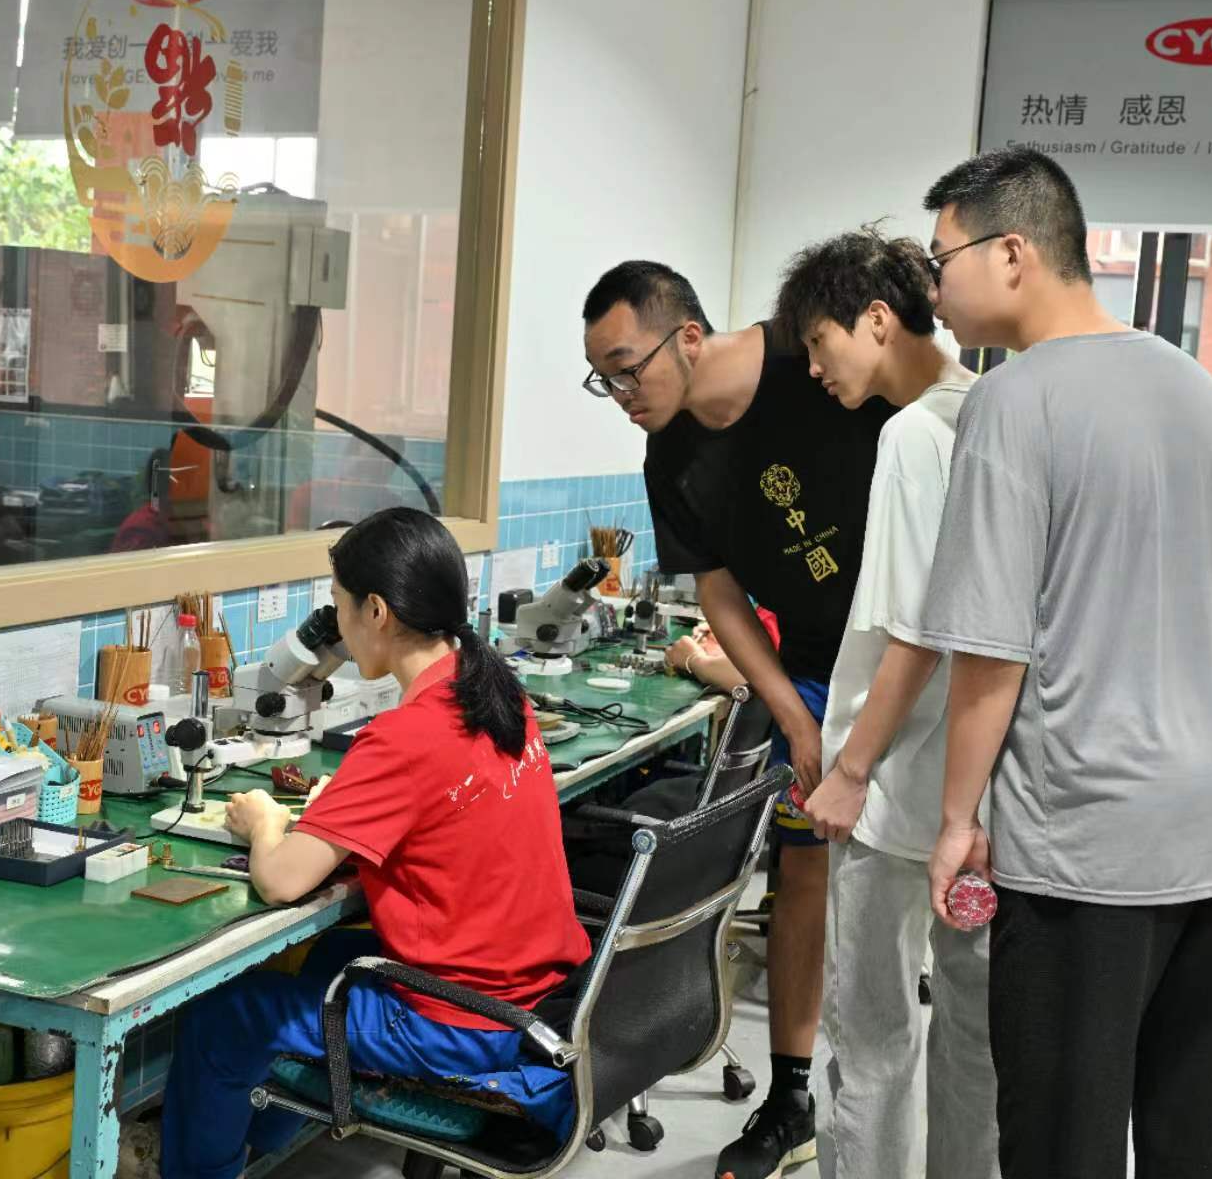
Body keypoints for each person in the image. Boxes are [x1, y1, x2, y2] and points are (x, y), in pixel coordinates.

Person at [911, 148, 1212, 1179]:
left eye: (941, 260)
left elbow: (990, 651)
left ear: (1012, 253)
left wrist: (956, 821)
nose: (934, 288)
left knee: (1061, 1144)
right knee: (1198, 1145)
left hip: (1094, 835)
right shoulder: (1201, 389)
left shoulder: (1012, 400)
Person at [160, 507, 592, 1179]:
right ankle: (265, 1135)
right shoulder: (498, 693)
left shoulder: (404, 736)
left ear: (377, 612)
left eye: (339, 604)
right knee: (332, 954)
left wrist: (265, 821)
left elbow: (280, 881)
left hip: (462, 1027)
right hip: (535, 993)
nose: (337, 624)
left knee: (224, 1018)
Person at [582, 262, 891, 1179]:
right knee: (804, 876)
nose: (622, 397)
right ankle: (792, 1100)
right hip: (814, 669)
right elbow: (718, 591)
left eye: (627, 370)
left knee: (906, 892)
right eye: (604, 379)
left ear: (688, 337)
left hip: (911, 652)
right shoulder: (670, 455)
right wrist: (791, 710)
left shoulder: (815, 364)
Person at [773, 227, 997, 1179]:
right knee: (975, 1038)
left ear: (874, 319)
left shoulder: (910, 435)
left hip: (892, 786)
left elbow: (915, 630)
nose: (815, 368)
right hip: (974, 792)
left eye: (818, 343)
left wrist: (850, 770)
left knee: (869, 1039)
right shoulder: (989, 412)